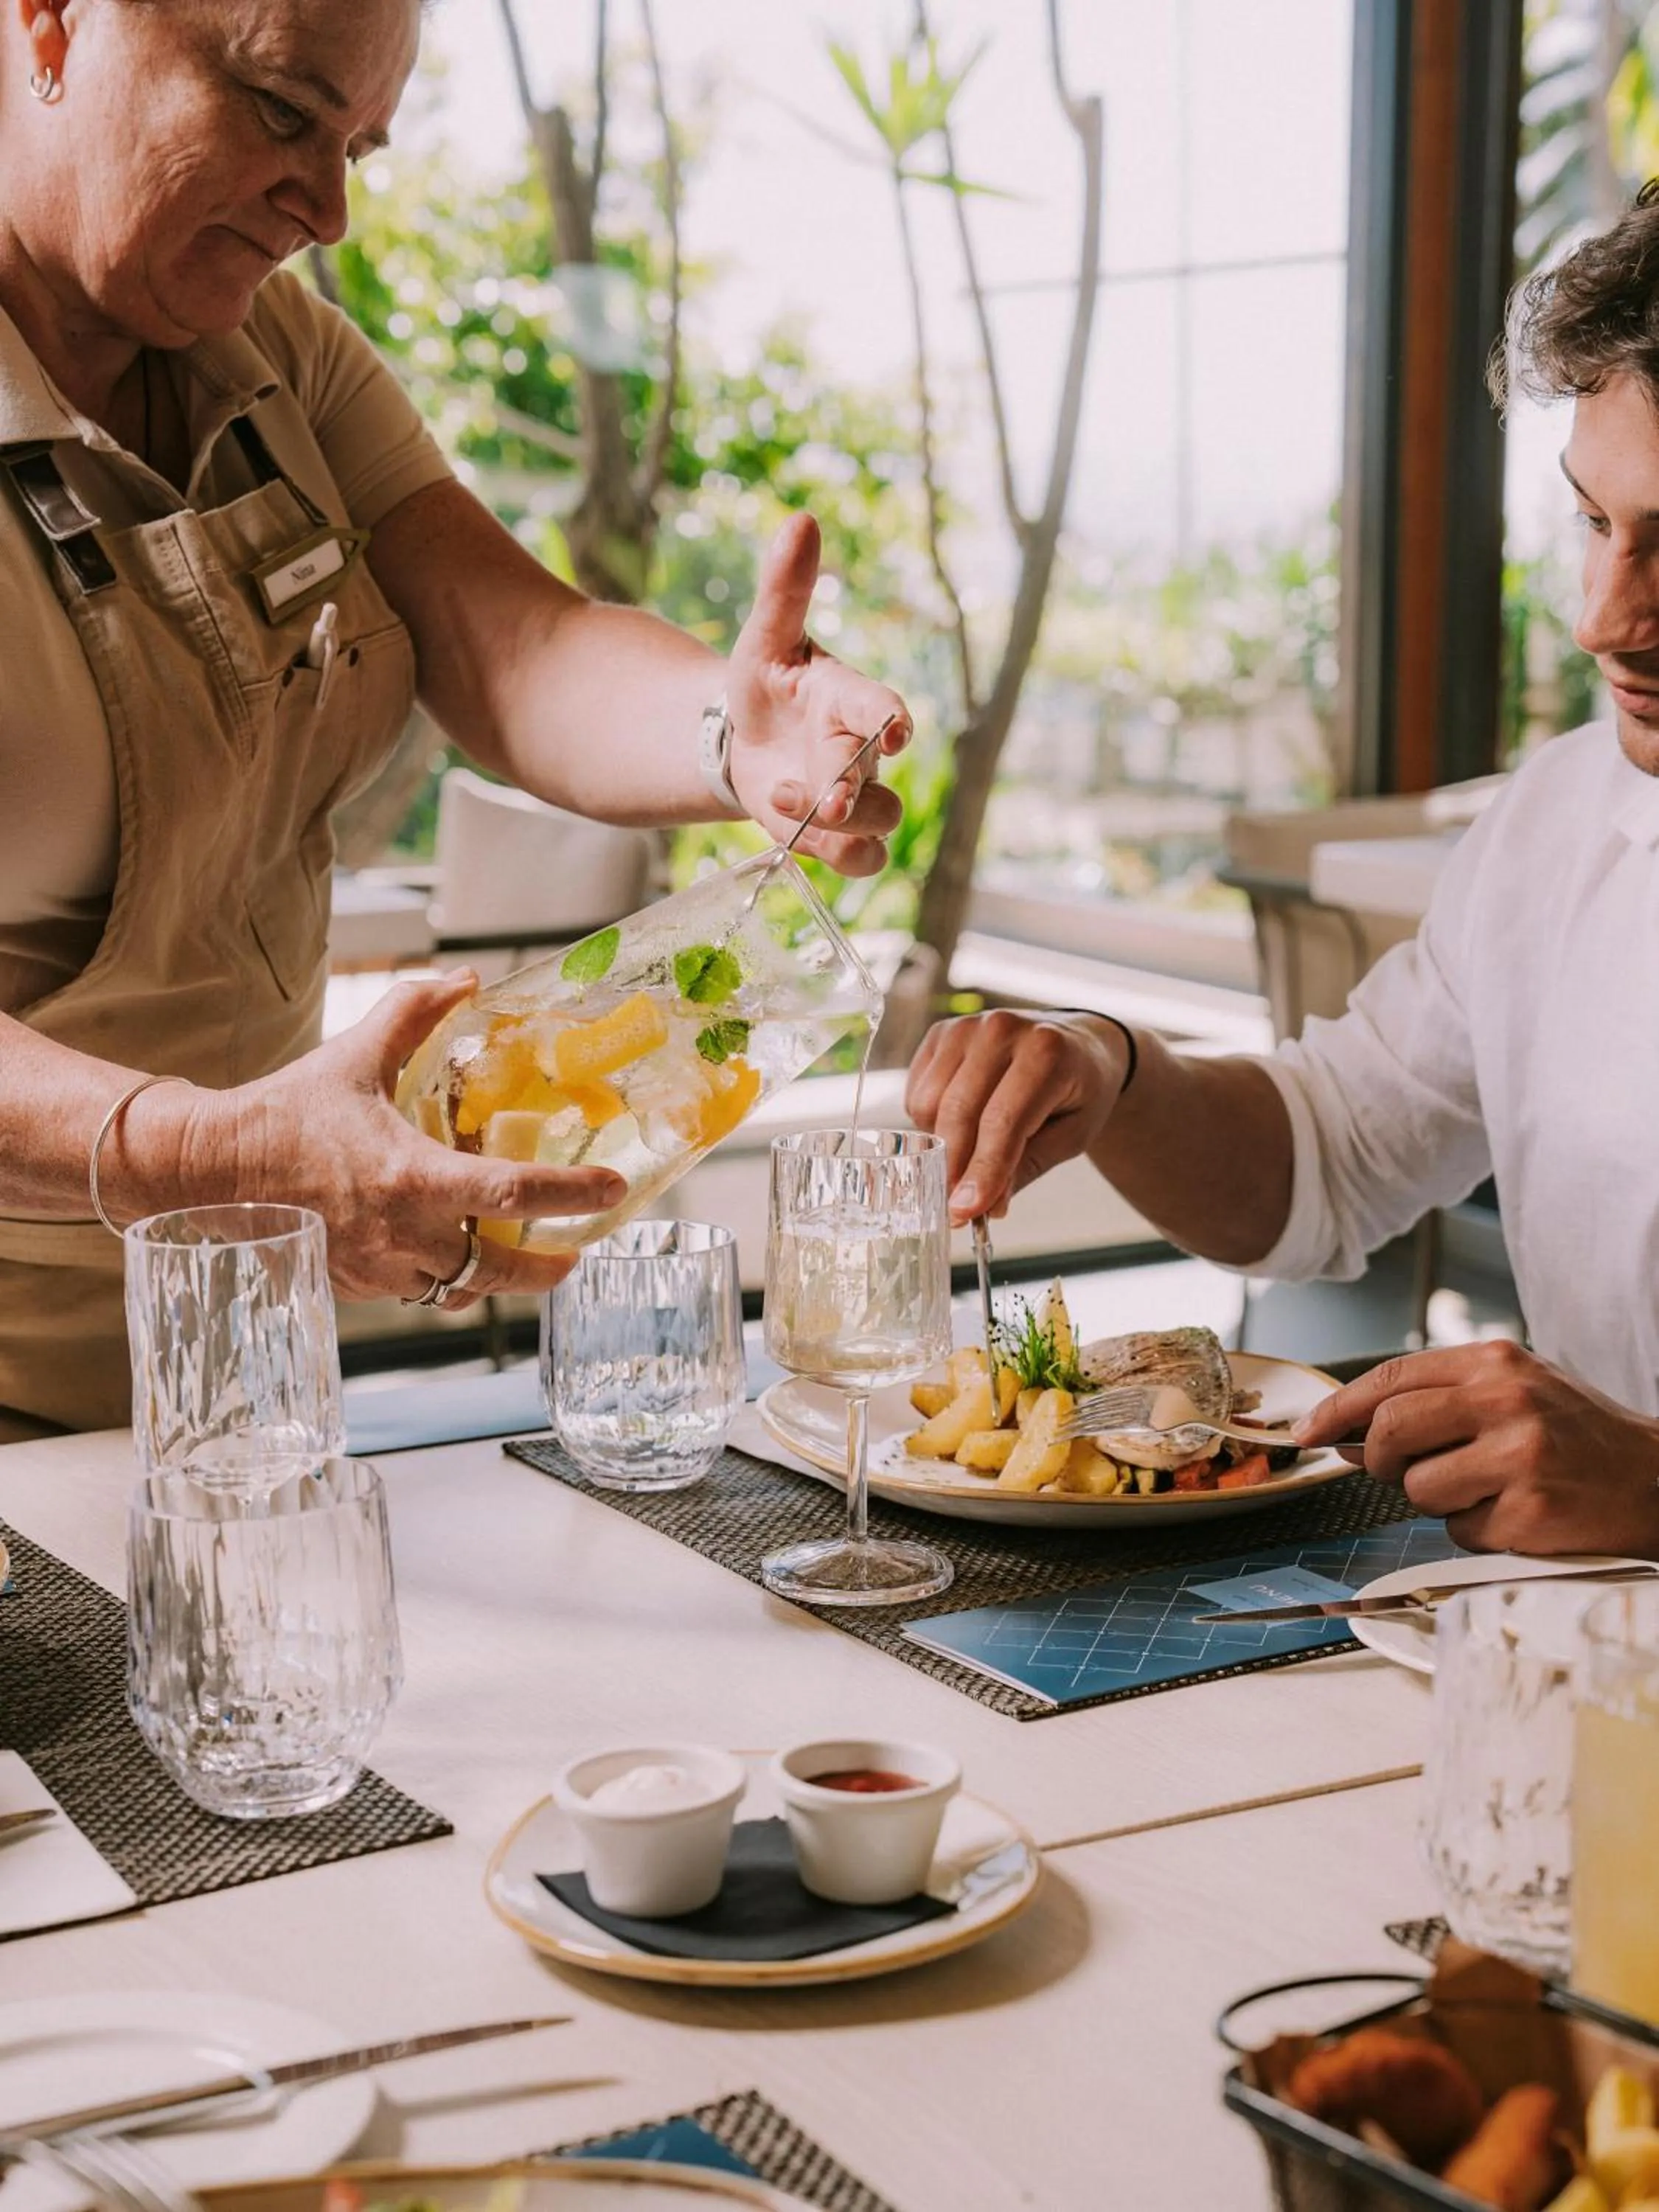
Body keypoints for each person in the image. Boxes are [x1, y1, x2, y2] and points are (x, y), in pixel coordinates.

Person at [0, 0, 912, 1439]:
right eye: (284, 113)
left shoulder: (279, 354)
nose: (333, 210)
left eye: (360, 143)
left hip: (242, 1391)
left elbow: (516, 643)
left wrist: (731, 739)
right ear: (50, 21)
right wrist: (212, 1152)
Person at [907, 192, 1659, 1562]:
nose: (1605, 617)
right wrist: (1113, 1072)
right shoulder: (1557, 823)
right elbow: (1326, 1156)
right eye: (1592, 525)